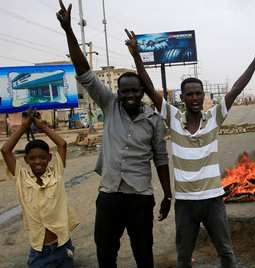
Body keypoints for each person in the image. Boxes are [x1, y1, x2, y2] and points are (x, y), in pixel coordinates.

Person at [124, 29, 255, 267]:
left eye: (198, 94)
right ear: (182, 97)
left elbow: (236, 90)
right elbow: (149, 87)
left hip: (213, 200)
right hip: (185, 203)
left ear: (203, 96)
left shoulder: (214, 117)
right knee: (184, 256)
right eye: (189, 94)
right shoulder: (172, 117)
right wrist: (137, 55)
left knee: (226, 252)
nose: (194, 98)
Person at [56, 1, 172, 267]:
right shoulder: (110, 105)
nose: (130, 95)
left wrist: (167, 194)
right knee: (105, 253)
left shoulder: (154, 120)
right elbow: (84, 71)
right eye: (125, 91)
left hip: (140, 197)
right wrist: (69, 31)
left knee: (144, 253)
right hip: (109, 195)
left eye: (135, 91)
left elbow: (161, 159)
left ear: (142, 93)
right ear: (118, 92)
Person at [1, 110, 78, 267]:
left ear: (49, 158)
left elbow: (62, 144)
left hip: (63, 246)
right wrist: (24, 125)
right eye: (32, 158)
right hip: (39, 251)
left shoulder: (56, 171)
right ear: (26, 160)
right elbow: (5, 150)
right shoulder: (22, 177)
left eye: (42, 157)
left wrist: (42, 126)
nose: (38, 162)